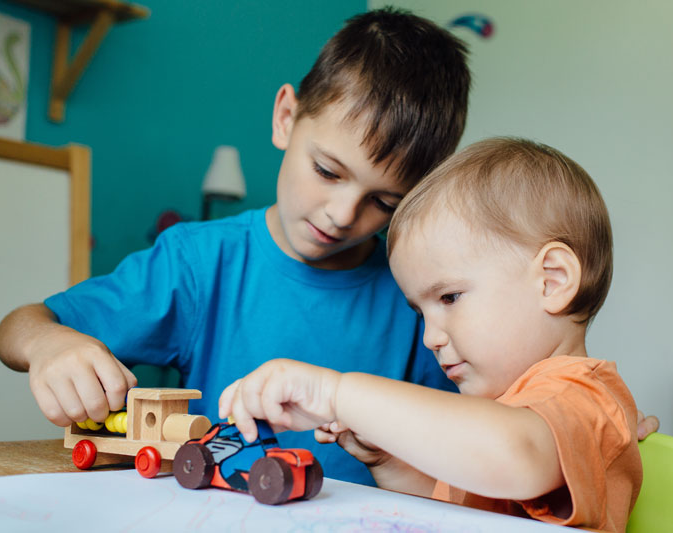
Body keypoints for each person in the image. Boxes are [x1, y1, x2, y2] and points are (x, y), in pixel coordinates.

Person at [0, 8, 470, 486]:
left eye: (384, 202)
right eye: (327, 171)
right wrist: (48, 344)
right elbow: (18, 327)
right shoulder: (199, 263)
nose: (343, 215)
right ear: (286, 117)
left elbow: (462, 454)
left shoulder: (418, 295)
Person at [219, 138, 643, 532]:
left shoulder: (586, 399)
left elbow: (514, 454)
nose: (430, 338)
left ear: (552, 281)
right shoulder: (503, 416)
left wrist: (336, 393)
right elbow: (453, 513)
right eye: (421, 312)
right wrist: (388, 460)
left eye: (450, 297)